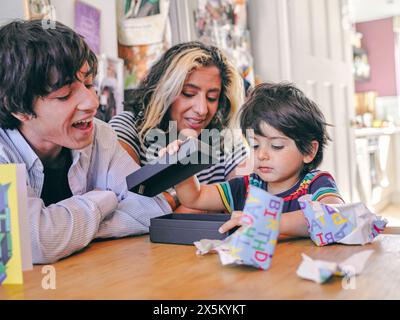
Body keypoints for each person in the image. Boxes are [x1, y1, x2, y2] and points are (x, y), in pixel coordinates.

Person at [0, 20, 172, 264]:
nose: (92, 102)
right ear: (18, 108)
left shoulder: (100, 135)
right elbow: (33, 243)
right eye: (65, 95)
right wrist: (104, 200)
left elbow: (153, 206)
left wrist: (69, 233)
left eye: (89, 84)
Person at [172, 82, 345, 236]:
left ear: (309, 151)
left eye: (276, 146)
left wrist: (266, 222)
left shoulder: (316, 184)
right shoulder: (246, 186)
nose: (261, 155)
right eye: (254, 145)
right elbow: (194, 197)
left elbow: (334, 215)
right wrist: (178, 163)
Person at [110, 41, 250, 211]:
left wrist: (181, 203)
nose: (202, 109)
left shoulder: (228, 138)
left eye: (212, 97)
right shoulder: (127, 127)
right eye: (188, 93)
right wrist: (188, 199)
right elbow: (123, 203)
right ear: (163, 91)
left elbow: (252, 196)